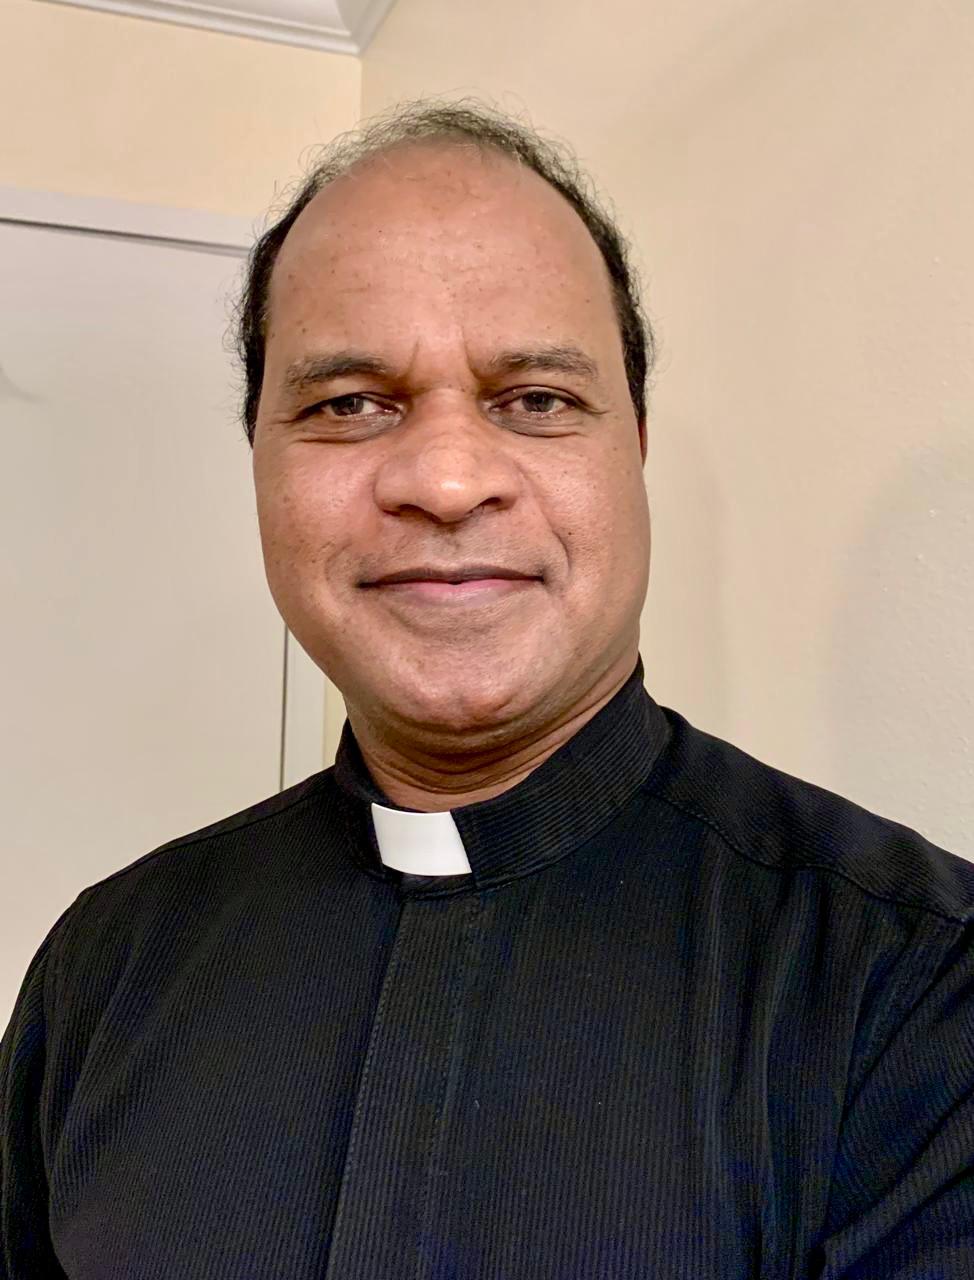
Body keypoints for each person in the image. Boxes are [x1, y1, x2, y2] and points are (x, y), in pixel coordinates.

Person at [2, 99, 972, 1280]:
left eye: (536, 400)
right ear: (258, 455)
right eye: (348, 403)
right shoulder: (103, 969)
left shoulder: (915, 987)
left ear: (633, 449)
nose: (448, 479)